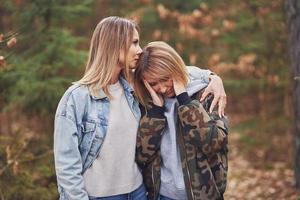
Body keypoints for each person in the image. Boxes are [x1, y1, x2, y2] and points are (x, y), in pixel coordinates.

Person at [54, 16, 226, 200]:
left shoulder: (133, 88)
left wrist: (212, 77)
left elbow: (172, 69)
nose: (140, 49)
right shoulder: (78, 98)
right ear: (114, 45)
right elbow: (66, 165)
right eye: (134, 43)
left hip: (138, 193)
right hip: (99, 196)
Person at [134, 41, 229, 200]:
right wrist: (156, 112)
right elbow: (142, 155)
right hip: (162, 195)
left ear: (174, 68)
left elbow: (215, 144)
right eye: (153, 83)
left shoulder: (206, 93)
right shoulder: (147, 103)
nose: (162, 88)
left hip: (203, 195)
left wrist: (185, 102)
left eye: (165, 79)